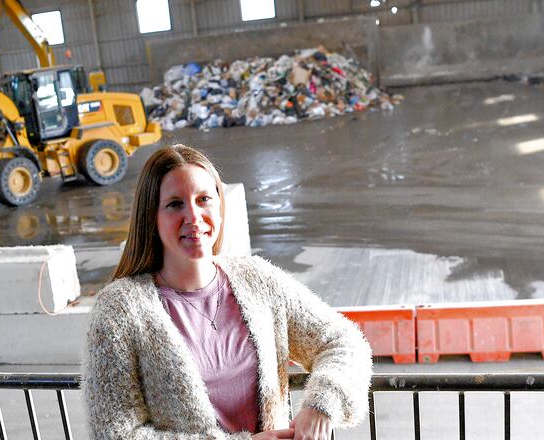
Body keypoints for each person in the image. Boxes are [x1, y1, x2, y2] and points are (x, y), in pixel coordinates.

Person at [81, 144, 372, 440]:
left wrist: (321, 405)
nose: (193, 216)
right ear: (151, 217)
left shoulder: (257, 278)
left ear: (219, 206)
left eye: (204, 199)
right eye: (174, 204)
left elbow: (343, 341)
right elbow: (114, 433)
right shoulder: (120, 310)